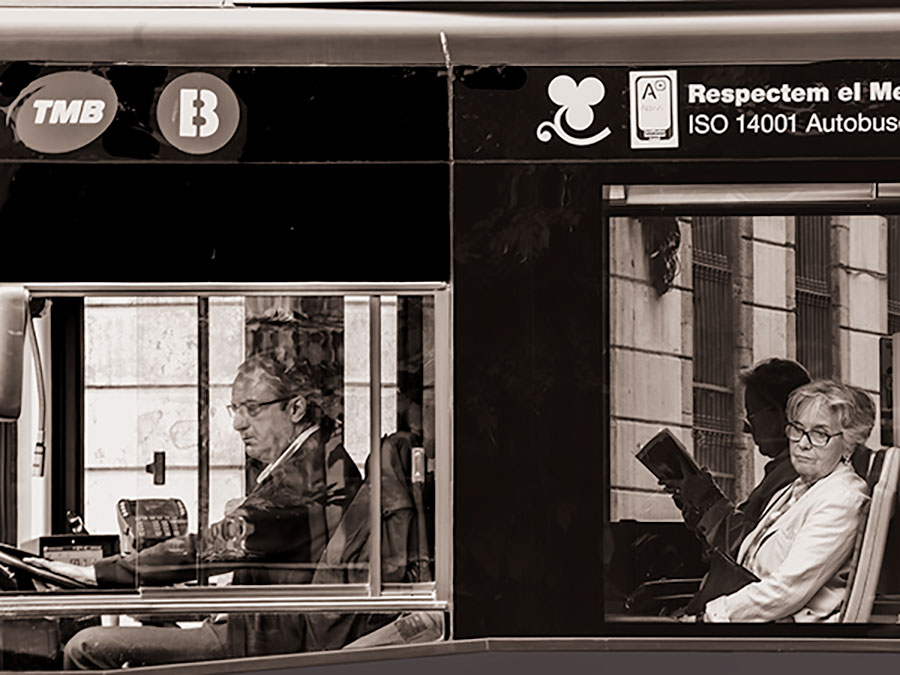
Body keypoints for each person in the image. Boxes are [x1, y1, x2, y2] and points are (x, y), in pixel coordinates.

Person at [26, 353, 362, 669]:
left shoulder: (305, 477)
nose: (238, 424)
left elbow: (213, 546)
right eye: (235, 409)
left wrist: (99, 574)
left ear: (296, 408)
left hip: (264, 641)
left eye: (253, 409)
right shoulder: (316, 460)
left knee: (86, 646)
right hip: (263, 626)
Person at [699, 380, 873, 622]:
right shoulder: (799, 485)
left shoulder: (842, 498)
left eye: (820, 434)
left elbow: (786, 590)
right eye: (798, 429)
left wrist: (712, 616)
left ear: (848, 445)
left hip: (793, 642)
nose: (802, 443)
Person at [667, 358, 811, 556]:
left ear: (783, 414)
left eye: (751, 414)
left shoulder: (796, 474)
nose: (745, 427)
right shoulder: (783, 471)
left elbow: (747, 548)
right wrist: (694, 503)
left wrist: (707, 498)